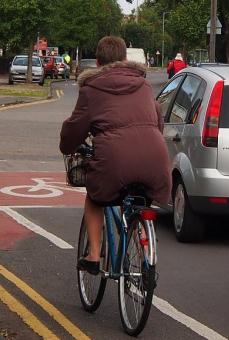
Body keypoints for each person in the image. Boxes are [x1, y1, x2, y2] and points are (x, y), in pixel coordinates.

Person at [60, 36, 171, 275]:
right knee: (140, 201)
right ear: (124, 59)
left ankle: (93, 256)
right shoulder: (143, 85)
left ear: (98, 62)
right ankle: (146, 254)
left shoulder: (91, 89)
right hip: (155, 156)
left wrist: (68, 145)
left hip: (114, 160)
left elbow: (76, 127)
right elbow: (158, 121)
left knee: (95, 198)